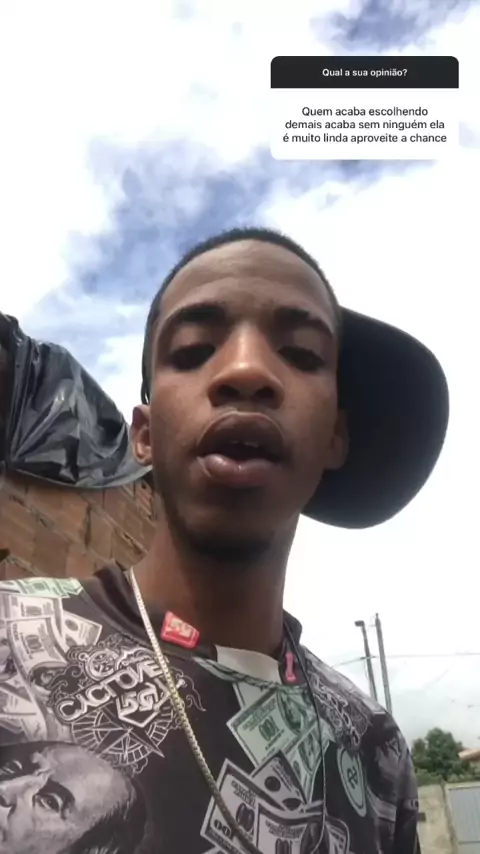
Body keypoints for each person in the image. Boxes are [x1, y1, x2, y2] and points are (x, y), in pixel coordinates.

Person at [0, 227, 448, 853]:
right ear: (143, 435)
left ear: (335, 437)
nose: (245, 371)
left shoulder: (375, 749)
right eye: (192, 350)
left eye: (301, 353)